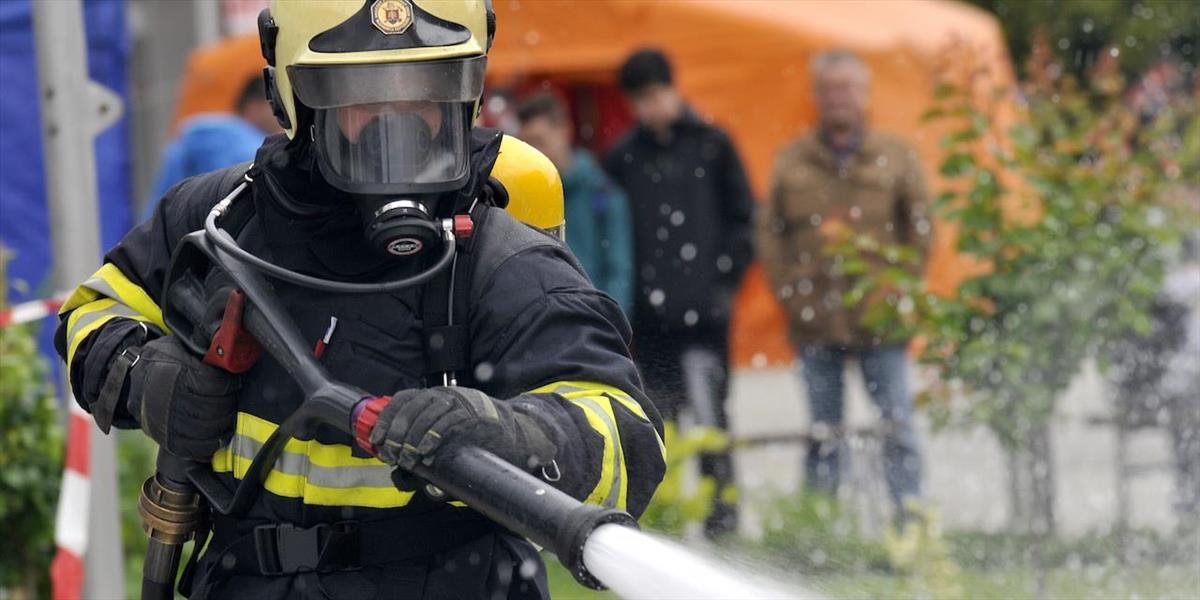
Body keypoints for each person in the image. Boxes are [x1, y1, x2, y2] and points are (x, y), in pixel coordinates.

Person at [54, 2, 665, 598]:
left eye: (424, 90)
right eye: (364, 95)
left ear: (466, 93)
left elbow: (627, 435)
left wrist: (512, 433)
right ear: (296, 96)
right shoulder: (222, 223)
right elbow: (93, 310)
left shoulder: (496, 259)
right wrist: (147, 379)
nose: (396, 122)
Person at [755, 50, 931, 515]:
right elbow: (770, 235)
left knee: (897, 426)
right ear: (816, 96)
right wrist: (791, 294)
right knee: (823, 433)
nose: (838, 99)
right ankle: (821, 527)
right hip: (814, 320)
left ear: (865, 94)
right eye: (829, 89)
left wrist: (900, 288)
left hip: (881, 319)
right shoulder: (792, 160)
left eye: (847, 88)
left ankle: (910, 522)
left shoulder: (895, 156)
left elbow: (922, 228)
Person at [602, 48, 754, 537]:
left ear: (673, 87)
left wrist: (723, 282)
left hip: (705, 321)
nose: (648, 108)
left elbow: (745, 218)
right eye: (638, 100)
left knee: (711, 423)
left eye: (653, 95)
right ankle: (664, 524)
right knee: (656, 426)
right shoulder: (623, 158)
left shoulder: (712, 144)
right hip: (650, 323)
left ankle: (721, 522)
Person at [517, 91, 634, 314]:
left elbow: (619, 272)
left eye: (540, 140)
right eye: (527, 143)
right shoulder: (519, 196)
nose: (534, 152)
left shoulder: (603, 193)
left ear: (565, 130)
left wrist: (610, 327)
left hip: (591, 323)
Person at [143, 76, 283, 220]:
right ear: (252, 107)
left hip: (167, 230)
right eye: (273, 105)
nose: (280, 111)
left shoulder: (190, 137)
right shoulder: (252, 149)